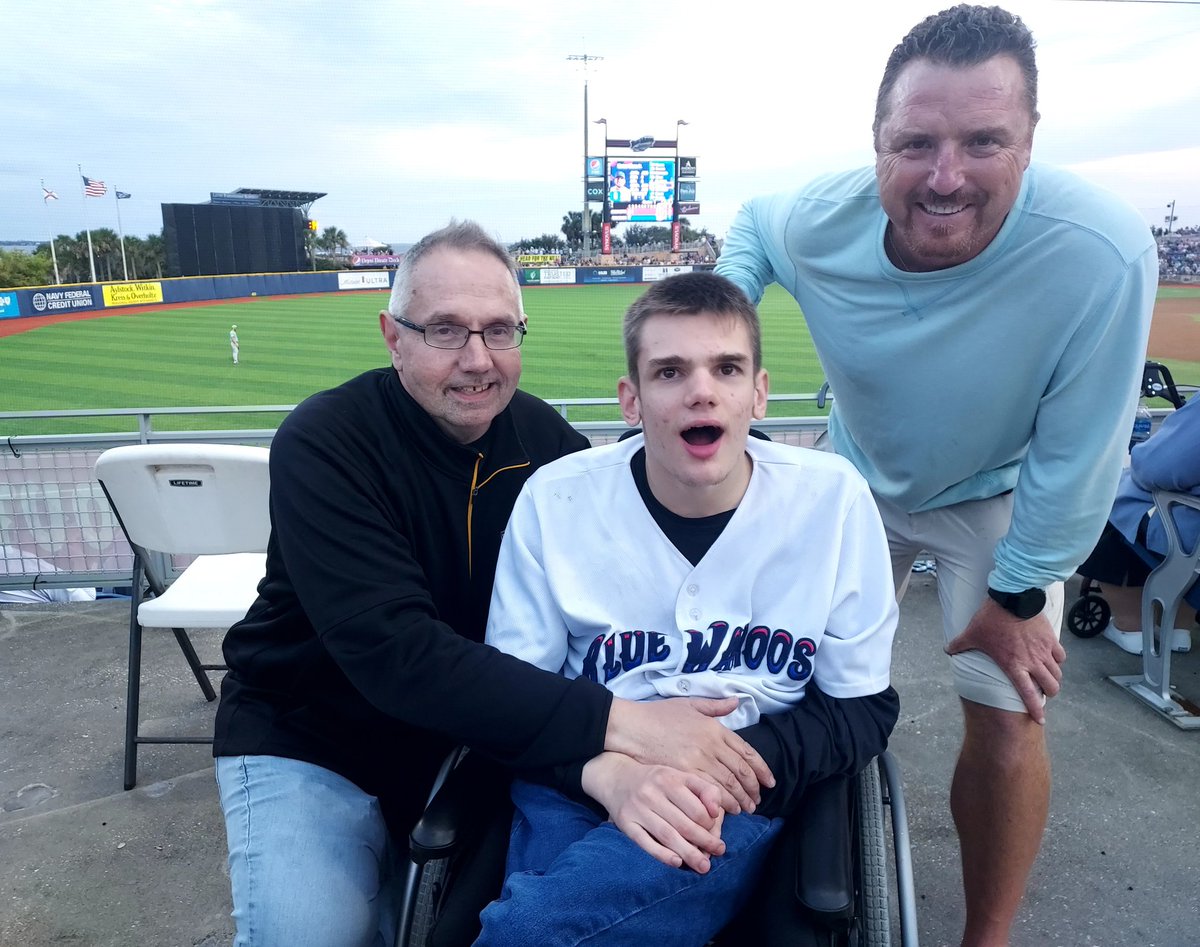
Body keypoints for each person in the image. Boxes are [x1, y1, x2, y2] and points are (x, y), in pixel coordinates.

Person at [714, 6, 1157, 944]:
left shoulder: (1099, 251)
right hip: (858, 480)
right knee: (780, 679)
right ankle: (771, 874)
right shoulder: (824, 217)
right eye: (915, 142)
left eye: (984, 141)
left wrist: (1017, 590)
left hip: (1002, 497)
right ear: (877, 142)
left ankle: (985, 934)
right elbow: (754, 220)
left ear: (1030, 141)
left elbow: (1079, 456)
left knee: (1006, 712)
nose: (945, 176)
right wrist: (722, 308)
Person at [212, 221, 777, 947]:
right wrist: (629, 727)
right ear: (393, 336)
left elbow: (646, 526)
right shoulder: (326, 441)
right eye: (446, 330)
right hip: (314, 735)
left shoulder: (547, 444)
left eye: (500, 330)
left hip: (484, 733)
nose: (478, 359)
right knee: (314, 935)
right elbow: (399, 654)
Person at [477, 273, 899, 945]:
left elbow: (864, 706)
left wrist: (723, 761)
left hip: (737, 785)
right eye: (669, 371)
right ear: (631, 399)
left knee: (529, 932)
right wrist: (609, 771)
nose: (701, 389)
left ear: (758, 391)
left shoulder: (833, 500)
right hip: (578, 769)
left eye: (726, 367)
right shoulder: (554, 500)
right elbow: (511, 697)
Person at [1078, 394, 1200, 654]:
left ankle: (1130, 626)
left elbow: (1154, 467)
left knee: (1111, 502)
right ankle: (1179, 628)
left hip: (1187, 534)